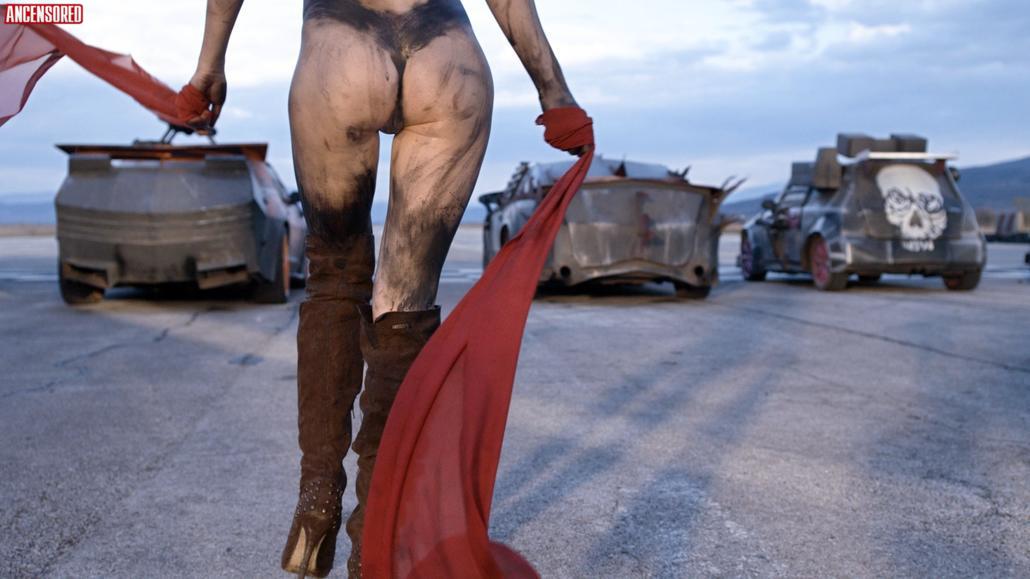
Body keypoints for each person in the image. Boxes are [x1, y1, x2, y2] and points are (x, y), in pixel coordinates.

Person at [184, 0, 584, 576]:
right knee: (405, 306)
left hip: (339, 47)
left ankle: (318, 498)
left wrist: (209, 66)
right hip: (447, 56)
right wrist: (554, 92)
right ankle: (377, 533)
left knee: (334, 276)